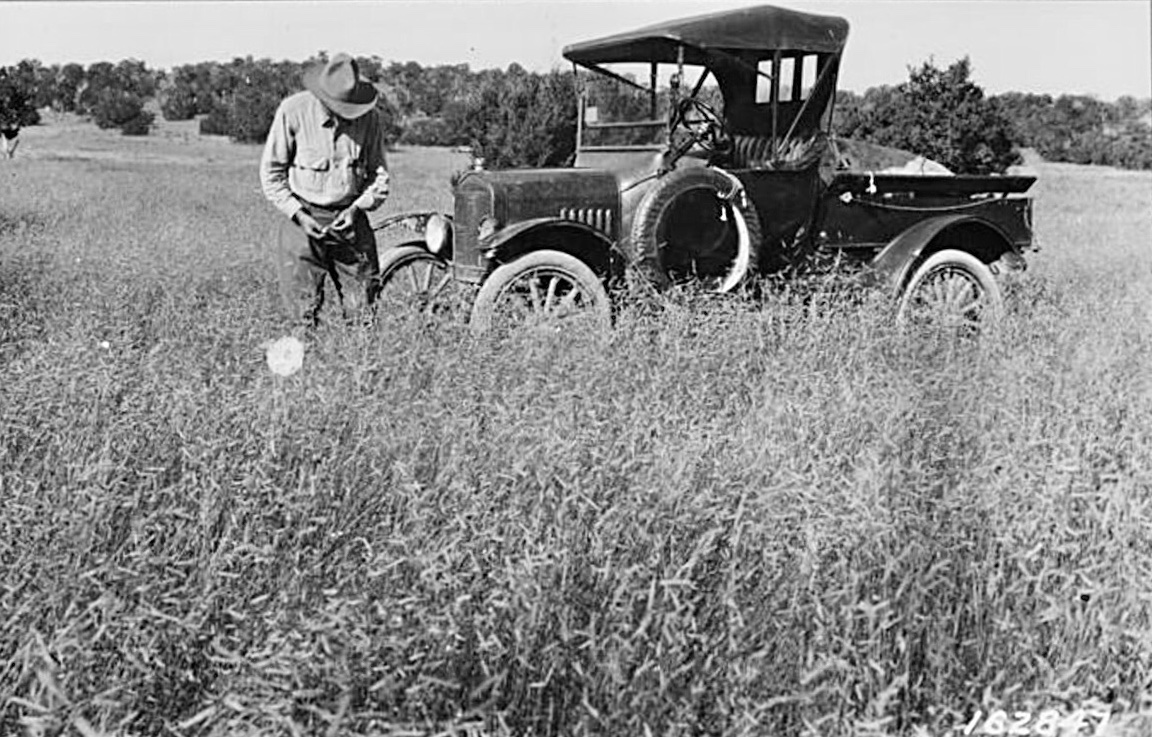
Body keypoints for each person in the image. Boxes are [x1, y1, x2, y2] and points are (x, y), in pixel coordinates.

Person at [260, 53, 391, 327]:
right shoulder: (292, 111)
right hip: (303, 221)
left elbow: (379, 176)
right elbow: (271, 174)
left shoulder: (370, 119)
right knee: (302, 314)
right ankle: (304, 355)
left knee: (363, 310)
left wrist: (357, 208)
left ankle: (359, 355)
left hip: (351, 221)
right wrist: (298, 214)